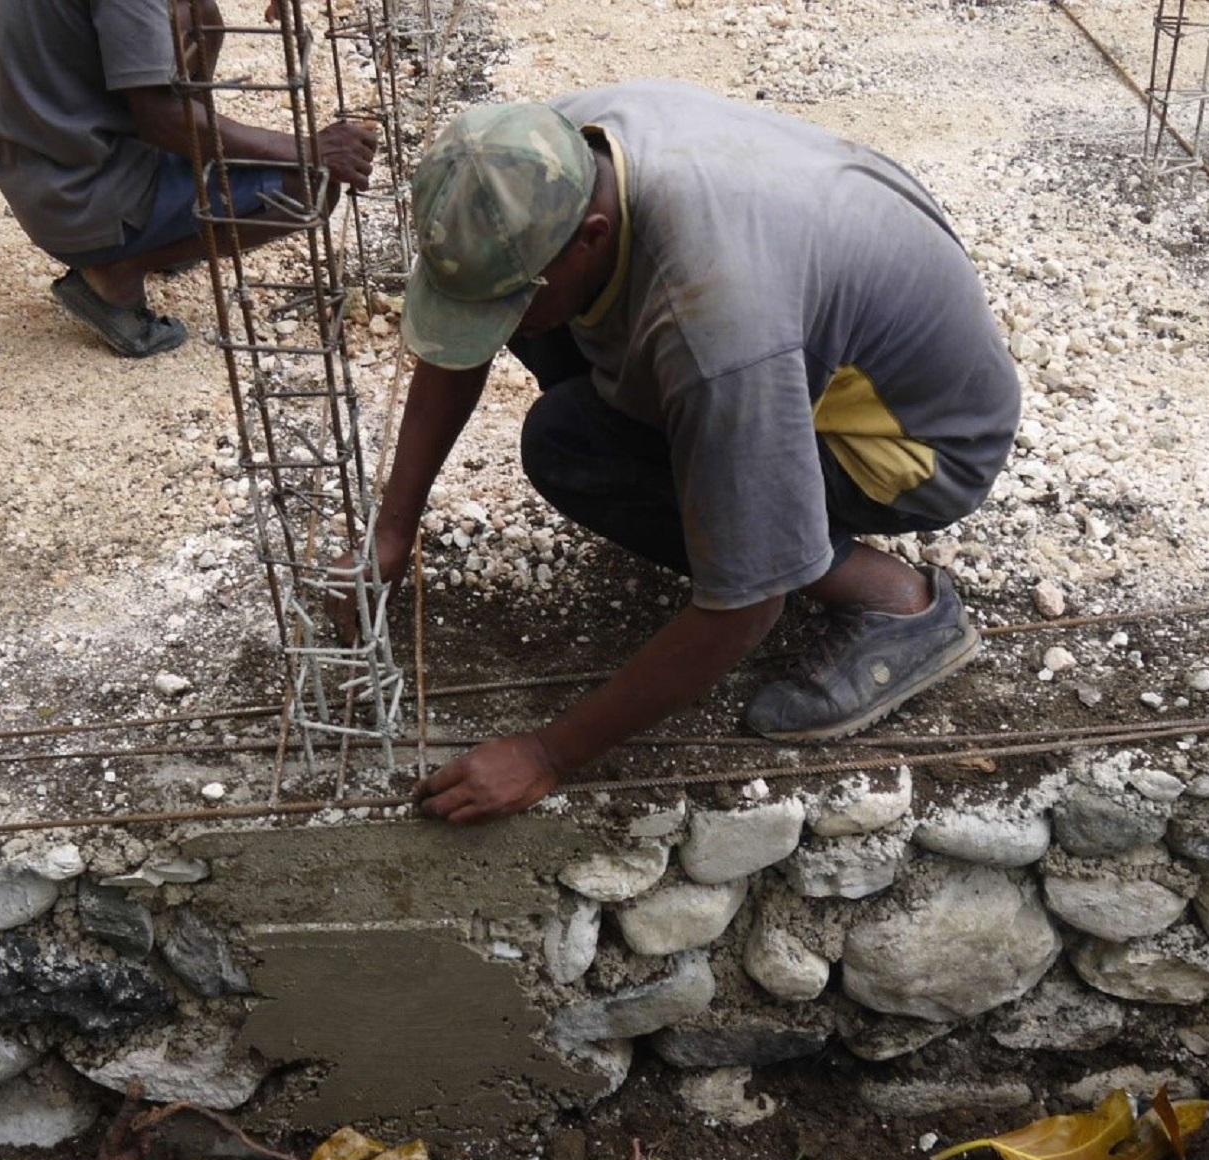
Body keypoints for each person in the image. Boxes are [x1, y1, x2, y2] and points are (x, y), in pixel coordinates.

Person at [369, 80, 1020, 823]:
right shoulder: (544, 154)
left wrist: (548, 754)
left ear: (591, 236)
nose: (492, 322)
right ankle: (698, 456)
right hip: (813, 329)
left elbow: (744, 605)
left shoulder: (717, 329)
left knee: (570, 448)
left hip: (917, 444)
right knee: (540, 320)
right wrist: (393, 530)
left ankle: (896, 605)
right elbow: (467, 331)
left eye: (506, 298)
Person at [0, 0, 378, 357]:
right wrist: (307, 148)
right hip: (82, 198)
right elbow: (160, 119)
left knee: (202, 19)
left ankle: (165, 214)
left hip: (39, 169)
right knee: (308, 188)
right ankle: (117, 271)